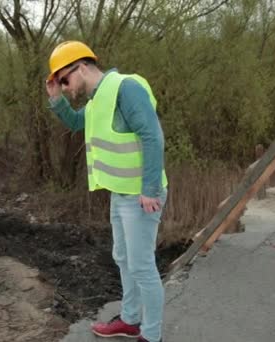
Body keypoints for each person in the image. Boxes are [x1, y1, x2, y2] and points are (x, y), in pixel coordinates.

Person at [45, 41, 168, 342]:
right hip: (119, 193)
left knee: (142, 267)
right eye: (60, 81)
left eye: (65, 79)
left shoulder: (126, 88)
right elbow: (76, 122)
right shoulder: (98, 99)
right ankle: (129, 320)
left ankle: (152, 336)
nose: (65, 85)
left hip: (141, 196)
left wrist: (150, 189)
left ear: (82, 67)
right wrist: (56, 98)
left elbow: (152, 137)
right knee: (123, 258)